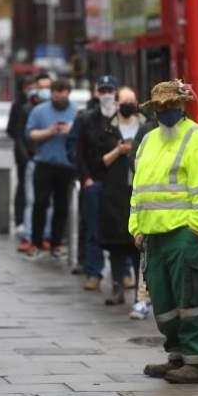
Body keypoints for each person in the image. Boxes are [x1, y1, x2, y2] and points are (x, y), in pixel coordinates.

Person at [130, 80, 198, 384]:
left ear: (182, 105)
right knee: (165, 306)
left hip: (184, 233)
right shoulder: (148, 140)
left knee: (191, 300)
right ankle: (177, 357)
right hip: (153, 237)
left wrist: (196, 227)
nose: (166, 111)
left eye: (171, 105)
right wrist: (136, 227)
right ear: (154, 110)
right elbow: (139, 189)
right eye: (160, 107)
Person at [98, 86, 146, 305]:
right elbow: (100, 162)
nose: (128, 104)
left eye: (132, 100)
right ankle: (117, 286)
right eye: (124, 100)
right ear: (116, 104)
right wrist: (118, 151)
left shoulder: (147, 128)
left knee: (137, 243)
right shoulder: (108, 129)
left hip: (140, 192)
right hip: (115, 193)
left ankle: (141, 291)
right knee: (116, 242)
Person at [75, 75, 120, 291]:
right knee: (93, 229)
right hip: (94, 180)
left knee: (121, 229)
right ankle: (94, 273)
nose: (106, 95)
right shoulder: (86, 119)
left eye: (110, 90)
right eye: (102, 91)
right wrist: (86, 179)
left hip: (118, 183)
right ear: (96, 93)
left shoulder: (123, 118)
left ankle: (124, 273)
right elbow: (79, 152)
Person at [25, 79, 78, 260]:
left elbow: (82, 135)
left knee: (61, 206)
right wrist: (49, 131)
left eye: (62, 94)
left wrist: (70, 131)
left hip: (66, 166)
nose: (59, 98)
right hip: (44, 164)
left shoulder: (76, 111)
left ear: (68, 93)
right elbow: (30, 134)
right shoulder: (39, 111)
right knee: (40, 203)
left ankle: (56, 243)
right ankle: (36, 242)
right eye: (56, 94)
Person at [16, 73, 53, 252]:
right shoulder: (28, 108)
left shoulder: (55, 109)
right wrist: (27, 159)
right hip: (34, 160)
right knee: (32, 200)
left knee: (49, 202)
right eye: (42, 87)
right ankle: (29, 236)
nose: (46, 91)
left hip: (51, 161)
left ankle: (46, 235)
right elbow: (21, 137)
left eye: (49, 87)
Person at [6, 75, 38, 235]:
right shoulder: (18, 105)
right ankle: (19, 220)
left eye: (34, 86)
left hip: (37, 152)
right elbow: (12, 130)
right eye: (28, 86)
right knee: (23, 186)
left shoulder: (38, 104)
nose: (32, 89)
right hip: (22, 153)